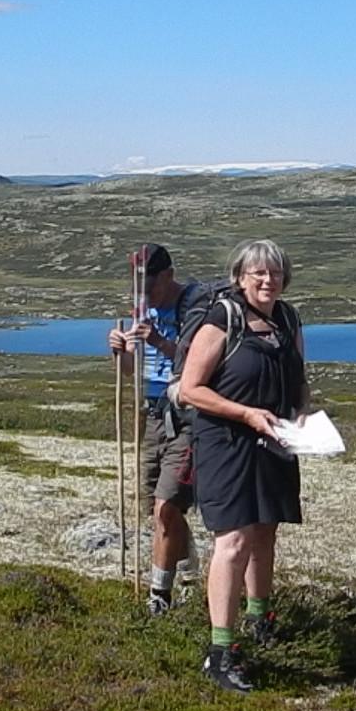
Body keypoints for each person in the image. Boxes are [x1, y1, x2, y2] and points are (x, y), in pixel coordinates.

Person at [172, 240, 309, 691]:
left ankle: (260, 617)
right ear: (240, 277)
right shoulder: (222, 319)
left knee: (265, 528)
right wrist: (246, 413)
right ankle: (221, 651)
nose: (268, 280)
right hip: (226, 442)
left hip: (273, 439)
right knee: (232, 540)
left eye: (275, 273)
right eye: (258, 274)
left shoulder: (288, 319)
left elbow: (299, 377)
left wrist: (302, 413)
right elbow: (191, 389)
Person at [105, 245, 203, 613]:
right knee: (157, 507)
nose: (144, 297)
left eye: (150, 287)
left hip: (186, 414)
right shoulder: (141, 308)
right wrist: (120, 351)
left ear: (169, 275)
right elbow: (133, 369)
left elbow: (201, 361)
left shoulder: (195, 307)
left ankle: (158, 596)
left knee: (167, 506)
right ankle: (189, 572)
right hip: (152, 414)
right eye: (138, 290)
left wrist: (159, 341)